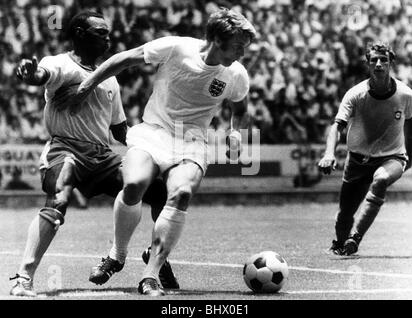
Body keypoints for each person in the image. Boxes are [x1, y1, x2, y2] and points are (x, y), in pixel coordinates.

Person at [67, 7, 256, 296]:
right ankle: (117, 255)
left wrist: (235, 133)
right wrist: (86, 86)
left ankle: (151, 275)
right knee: (133, 184)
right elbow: (122, 60)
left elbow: (240, 110)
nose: (243, 53)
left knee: (181, 194)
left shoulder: (236, 74)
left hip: (192, 141)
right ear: (217, 40)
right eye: (238, 46)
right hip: (153, 132)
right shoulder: (176, 47)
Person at [9, 11, 172, 297]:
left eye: (108, 32)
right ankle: (23, 278)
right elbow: (41, 75)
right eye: (101, 33)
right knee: (58, 200)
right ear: (80, 34)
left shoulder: (110, 79)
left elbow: (120, 130)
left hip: (101, 156)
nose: (108, 38)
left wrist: (151, 151)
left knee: (158, 191)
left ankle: (157, 260)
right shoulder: (60, 64)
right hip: (66, 149)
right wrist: (30, 73)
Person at [318, 43, 412, 256]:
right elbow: (337, 126)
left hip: (392, 157)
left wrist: (409, 158)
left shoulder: (406, 95)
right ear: (368, 64)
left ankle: (355, 238)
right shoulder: (355, 94)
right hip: (358, 160)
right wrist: (329, 153)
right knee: (344, 215)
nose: (379, 64)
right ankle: (341, 242)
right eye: (374, 60)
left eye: (383, 60)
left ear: (391, 63)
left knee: (380, 180)